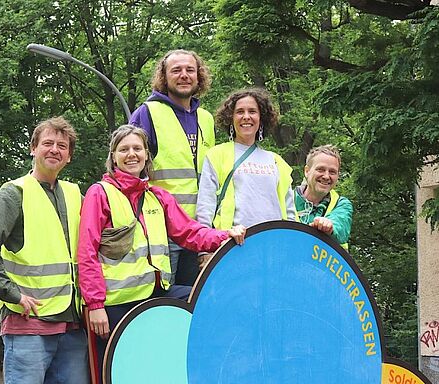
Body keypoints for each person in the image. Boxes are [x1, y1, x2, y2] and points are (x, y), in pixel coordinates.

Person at [77, 125, 246, 376]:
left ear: (146, 155)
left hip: (154, 296)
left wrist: (226, 235)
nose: (131, 154)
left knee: (206, 300)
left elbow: (190, 233)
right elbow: (86, 251)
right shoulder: (99, 193)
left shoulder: (158, 196)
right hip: (115, 305)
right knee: (113, 373)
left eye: (137, 148)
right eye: (123, 149)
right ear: (113, 157)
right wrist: (95, 304)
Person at [0, 117, 89, 384]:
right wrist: (10, 292)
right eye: (47, 143)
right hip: (28, 325)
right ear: (33, 148)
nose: (55, 150)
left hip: (72, 326)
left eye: (62, 145)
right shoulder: (14, 192)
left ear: (69, 156)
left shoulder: (74, 194)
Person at [129, 49, 215, 285]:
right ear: (164, 78)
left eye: (190, 70)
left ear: (199, 76)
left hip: (200, 229)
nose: (184, 75)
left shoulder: (206, 119)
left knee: (194, 299)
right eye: (176, 70)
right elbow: (128, 171)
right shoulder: (147, 113)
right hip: (163, 229)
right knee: (164, 299)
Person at [196, 88, 297, 267]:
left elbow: (289, 212)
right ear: (231, 118)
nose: (246, 116)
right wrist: (205, 250)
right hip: (232, 247)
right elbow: (205, 206)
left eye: (252, 111)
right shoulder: (217, 155)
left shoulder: (276, 160)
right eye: (239, 112)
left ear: (262, 118)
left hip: (273, 249)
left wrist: (293, 247)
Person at [295, 144, 353, 249]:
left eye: (332, 172)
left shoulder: (341, 204)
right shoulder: (287, 198)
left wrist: (329, 225)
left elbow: (340, 224)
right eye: (320, 170)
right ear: (307, 171)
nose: (326, 176)